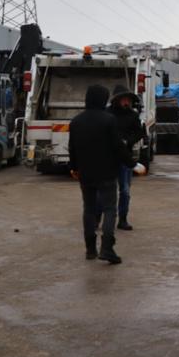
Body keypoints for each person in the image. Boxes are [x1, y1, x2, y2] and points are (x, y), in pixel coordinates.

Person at [68, 84, 136, 265]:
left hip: (85, 174)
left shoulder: (76, 121)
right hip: (107, 173)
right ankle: (107, 248)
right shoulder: (109, 120)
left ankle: (90, 249)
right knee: (109, 209)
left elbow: (72, 148)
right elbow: (118, 146)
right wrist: (132, 163)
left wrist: (74, 168)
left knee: (89, 209)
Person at [109, 85, 146, 231]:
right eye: (124, 99)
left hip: (125, 158)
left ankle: (123, 219)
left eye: (128, 100)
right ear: (117, 100)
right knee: (105, 190)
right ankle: (98, 216)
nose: (126, 102)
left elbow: (140, 133)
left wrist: (128, 141)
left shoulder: (133, 115)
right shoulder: (107, 114)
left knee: (125, 190)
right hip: (109, 158)